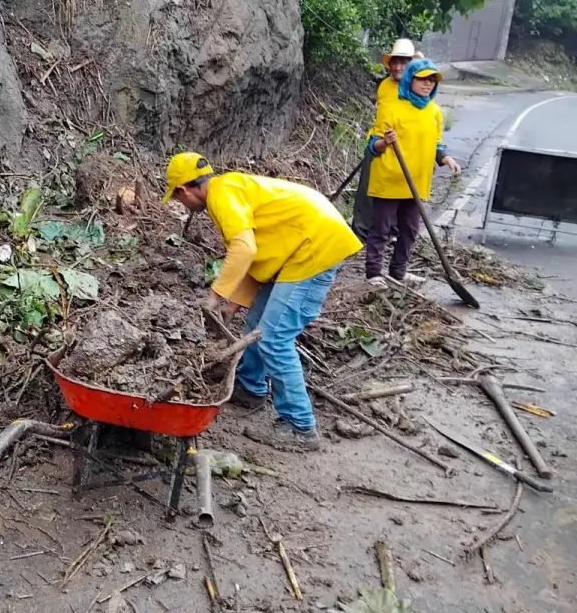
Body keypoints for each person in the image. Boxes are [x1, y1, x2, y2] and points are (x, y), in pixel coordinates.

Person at [162, 154, 362, 450]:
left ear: (184, 190)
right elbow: (256, 257)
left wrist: (215, 297)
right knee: (256, 325)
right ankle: (250, 387)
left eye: (179, 200)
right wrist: (232, 307)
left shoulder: (222, 194)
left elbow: (243, 249)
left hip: (314, 247)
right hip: (300, 247)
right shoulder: (229, 188)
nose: (184, 206)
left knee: (274, 338)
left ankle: (299, 427)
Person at [363, 57, 461, 287]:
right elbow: (372, 144)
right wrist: (385, 143)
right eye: (422, 79)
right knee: (381, 229)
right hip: (389, 178)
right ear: (410, 79)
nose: (428, 84)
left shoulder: (435, 112)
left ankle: (398, 271)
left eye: (432, 80)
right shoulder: (391, 107)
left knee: (409, 230)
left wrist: (445, 158)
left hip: (416, 181)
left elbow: (436, 143)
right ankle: (374, 273)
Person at [352, 39, 417, 240]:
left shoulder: (417, 88)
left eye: (403, 63)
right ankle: (361, 231)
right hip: (379, 141)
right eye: (395, 62)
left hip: (404, 145)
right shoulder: (384, 86)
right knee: (367, 188)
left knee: (399, 189)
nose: (398, 67)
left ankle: (391, 231)